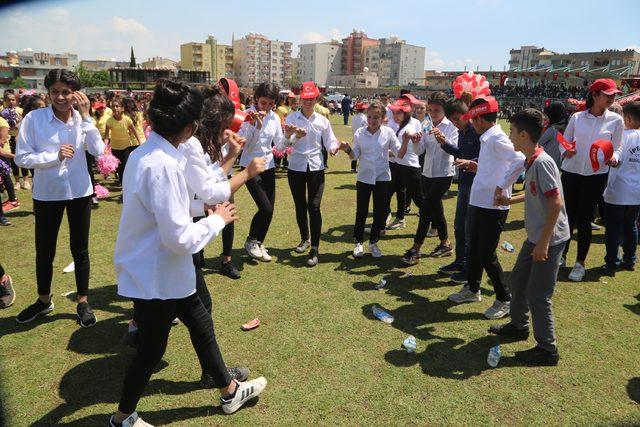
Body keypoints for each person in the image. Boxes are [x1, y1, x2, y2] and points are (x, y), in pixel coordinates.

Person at [110, 80, 267, 427]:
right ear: (189, 124)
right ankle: (123, 417)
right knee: (152, 350)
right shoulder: (161, 164)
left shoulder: (151, 153)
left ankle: (228, 391)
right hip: (158, 272)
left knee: (199, 320)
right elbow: (178, 238)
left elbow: (200, 185)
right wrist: (216, 220)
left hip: (166, 271)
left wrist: (226, 163)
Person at [14, 69, 105, 327]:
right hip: (47, 194)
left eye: (66, 91)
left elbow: (98, 151)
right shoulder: (34, 119)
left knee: (81, 249)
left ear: (76, 94)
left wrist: (87, 117)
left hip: (79, 192)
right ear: (48, 93)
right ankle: (44, 301)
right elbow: (22, 157)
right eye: (55, 91)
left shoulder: (82, 120)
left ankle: (83, 301)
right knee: (44, 250)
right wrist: (53, 156)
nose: (61, 97)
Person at [490, 108, 570, 366]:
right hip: (536, 236)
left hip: (550, 238)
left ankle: (548, 350)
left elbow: (556, 204)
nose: (509, 136)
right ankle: (518, 325)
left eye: (512, 131)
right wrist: (510, 199)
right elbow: (537, 193)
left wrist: (544, 243)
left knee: (538, 294)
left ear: (524, 134)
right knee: (518, 280)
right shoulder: (532, 160)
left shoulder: (543, 162)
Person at [447, 97, 526, 320]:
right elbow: (496, 165)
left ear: (480, 119)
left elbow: (520, 160)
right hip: (479, 201)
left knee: (486, 253)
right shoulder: (488, 137)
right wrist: (475, 165)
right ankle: (473, 289)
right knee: (473, 248)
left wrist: (502, 186)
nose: (471, 123)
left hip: (493, 206)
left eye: (473, 119)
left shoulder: (497, 138)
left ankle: (504, 298)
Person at [559, 78, 624, 282]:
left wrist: (615, 158)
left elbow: (618, 147)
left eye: (614, 95)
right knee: (566, 216)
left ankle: (580, 263)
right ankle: (561, 255)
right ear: (595, 95)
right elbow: (565, 141)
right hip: (571, 172)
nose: (612, 98)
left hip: (596, 176)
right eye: (608, 94)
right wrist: (565, 151)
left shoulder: (616, 120)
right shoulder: (577, 117)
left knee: (584, 219)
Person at [283, 81, 340, 266]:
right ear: (300, 99)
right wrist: (294, 136)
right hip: (296, 167)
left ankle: (315, 247)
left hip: (316, 167)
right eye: (305, 98)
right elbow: (285, 145)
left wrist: (333, 148)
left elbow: (330, 140)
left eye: (311, 98)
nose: (308, 102)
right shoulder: (291, 118)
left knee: (314, 207)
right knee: (300, 205)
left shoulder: (322, 120)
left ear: (317, 99)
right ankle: (304, 238)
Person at [339, 101, 406, 258]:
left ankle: (373, 242)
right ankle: (358, 242)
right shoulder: (360, 133)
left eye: (376, 117)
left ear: (383, 118)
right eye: (369, 117)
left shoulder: (388, 132)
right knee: (361, 211)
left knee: (380, 212)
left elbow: (399, 154)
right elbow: (354, 156)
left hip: (382, 177)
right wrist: (347, 149)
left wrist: (407, 141)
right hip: (364, 177)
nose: (372, 120)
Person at [401, 92, 458, 263]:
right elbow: (420, 151)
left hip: (443, 174)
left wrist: (443, 140)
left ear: (444, 110)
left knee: (425, 210)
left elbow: (455, 150)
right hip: (427, 173)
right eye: (430, 110)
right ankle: (445, 243)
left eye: (437, 110)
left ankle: (416, 248)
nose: (433, 114)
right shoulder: (425, 124)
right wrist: (417, 141)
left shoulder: (451, 126)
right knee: (436, 208)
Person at [237, 82, 287, 263]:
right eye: (263, 102)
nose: (265, 107)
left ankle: (259, 242)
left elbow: (279, 146)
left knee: (270, 209)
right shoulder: (247, 116)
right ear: (256, 98)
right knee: (264, 207)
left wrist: (291, 136)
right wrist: (256, 126)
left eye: (270, 104)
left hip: (268, 165)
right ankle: (251, 240)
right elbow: (245, 146)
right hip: (250, 165)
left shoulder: (274, 118)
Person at [436, 98, 481, 283]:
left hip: (475, 185)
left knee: (469, 228)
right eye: (452, 120)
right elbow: (461, 153)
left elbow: (483, 157)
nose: (456, 122)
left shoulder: (477, 132)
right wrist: (444, 143)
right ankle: (460, 262)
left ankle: (468, 268)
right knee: (459, 225)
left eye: (458, 118)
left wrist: (470, 162)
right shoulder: (462, 132)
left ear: (468, 113)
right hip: (464, 183)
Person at [601, 101, 640, 276]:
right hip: (636, 191)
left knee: (614, 228)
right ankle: (630, 260)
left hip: (618, 189)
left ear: (628, 118)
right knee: (631, 225)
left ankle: (611, 263)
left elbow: (616, 161)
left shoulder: (623, 136)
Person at [385, 96, 422, 231]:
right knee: (388, 193)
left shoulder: (411, 126)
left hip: (409, 167)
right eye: (394, 112)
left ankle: (436, 224)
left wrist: (380, 152)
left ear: (406, 113)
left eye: (399, 112)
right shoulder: (400, 124)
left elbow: (399, 150)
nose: (395, 115)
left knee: (419, 200)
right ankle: (397, 219)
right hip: (397, 165)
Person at [105, 98, 141, 187]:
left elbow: (135, 131)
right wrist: (105, 146)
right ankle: (123, 185)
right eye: (113, 106)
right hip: (115, 148)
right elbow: (106, 136)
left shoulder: (127, 119)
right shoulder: (109, 121)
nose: (115, 108)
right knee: (119, 169)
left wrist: (140, 143)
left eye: (117, 106)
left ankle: (128, 184)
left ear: (122, 108)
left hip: (126, 147)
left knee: (126, 167)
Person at [2, 90, 30, 190]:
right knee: (13, 160)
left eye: (13, 99)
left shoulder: (21, 111)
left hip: (20, 138)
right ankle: (17, 181)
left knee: (22, 158)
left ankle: (26, 181)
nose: (11, 102)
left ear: (16, 100)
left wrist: (19, 121)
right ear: (5, 101)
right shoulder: (2, 112)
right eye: (8, 100)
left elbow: (26, 124)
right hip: (9, 138)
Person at [0, 114, 19, 215]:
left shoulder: (2, 121)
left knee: (5, 177)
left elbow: (2, 140)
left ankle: (13, 200)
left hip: (3, 153)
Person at [539, 101, 567, 168]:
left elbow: (538, 143)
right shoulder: (564, 127)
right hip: (556, 163)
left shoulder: (553, 129)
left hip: (545, 163)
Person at [350, 101, 368, 173]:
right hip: (363, 137)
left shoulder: (354, 117)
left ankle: (353, 168)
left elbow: (352, 127)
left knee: (355, 152)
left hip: (355, 136)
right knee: (363, 153)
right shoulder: (364, 118)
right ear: (363, 110)